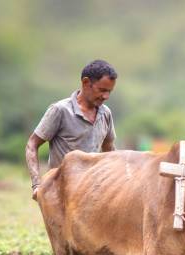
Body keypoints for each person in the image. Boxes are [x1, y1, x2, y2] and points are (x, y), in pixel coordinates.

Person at [25, 59, 118, 200]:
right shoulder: (60, 110)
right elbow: (32, 145)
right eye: (102, 90)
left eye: (109, 91)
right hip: (61, 193)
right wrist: (37, 185)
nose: (106, 96)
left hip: (94, 193)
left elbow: (109, 150)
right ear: (86, 83)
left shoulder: (106, 113)